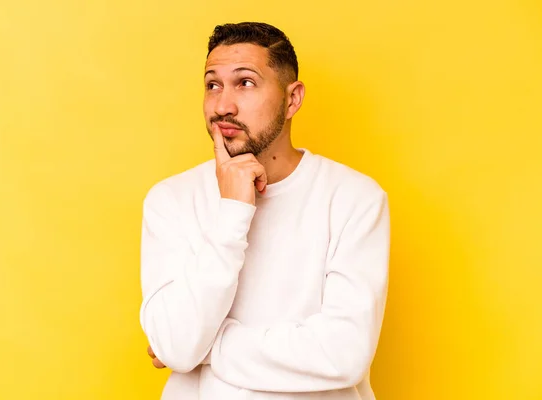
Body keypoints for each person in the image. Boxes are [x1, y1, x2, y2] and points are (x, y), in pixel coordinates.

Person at [139, 21, 390, 400]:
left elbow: (343, 354)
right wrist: (231, 214)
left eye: (246, 82)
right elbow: (175, 345)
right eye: (212, 85)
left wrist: (207, 348)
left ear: (292, 99)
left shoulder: (355, 199)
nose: (223, 105)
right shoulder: (170, 200)